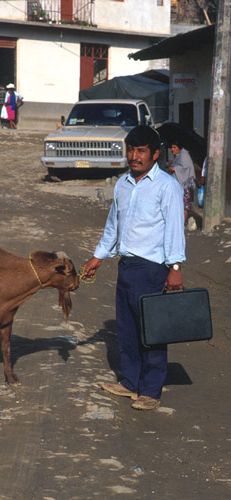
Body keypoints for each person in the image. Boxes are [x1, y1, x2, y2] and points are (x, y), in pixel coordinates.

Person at [83, 125, 185, 411]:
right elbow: (113, 225)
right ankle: (130, 382)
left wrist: (175, 266)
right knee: (126, 327)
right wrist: (98, 257)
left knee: (152, 330)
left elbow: (175, 229)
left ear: (155, 154)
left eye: (141, 151)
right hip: (126, 266)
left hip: (153, 268)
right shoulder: (123, 184)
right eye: (130, 150)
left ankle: (150, 390)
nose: (134, 156)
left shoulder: (167, 187)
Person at [168, 140, 196, 222]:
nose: (172, 149)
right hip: (177, 184)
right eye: (171, 147)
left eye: (174, 147)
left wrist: (175, 169)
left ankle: (182, 223)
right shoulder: (178, 156)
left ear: (179, 148)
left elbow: (187, 167)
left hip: (184, 184)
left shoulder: (184, 155)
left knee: (184, 205)